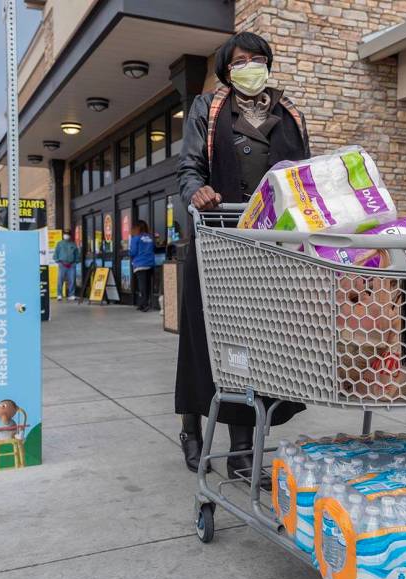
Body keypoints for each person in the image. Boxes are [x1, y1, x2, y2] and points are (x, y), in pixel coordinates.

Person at [175, 32, 311, 479]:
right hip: (220, 241)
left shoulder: (289, 114)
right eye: (239, 61)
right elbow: (190, 167)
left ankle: (240, 451)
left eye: (257, 59)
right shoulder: (208, 109)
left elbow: (306, 178)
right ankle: (192, 428)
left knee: (255, 347)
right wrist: (199, 191)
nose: (249, 66)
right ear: (225, 71)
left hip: (270, 251)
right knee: (205, 344)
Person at [130, 221, 155, 312]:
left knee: (142, 286)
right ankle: (143, 303)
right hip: (150, 264)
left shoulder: (136, 238)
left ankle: (144, 305)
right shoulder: (150, 237)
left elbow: (133, 252)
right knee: (147, 285)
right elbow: (153, 248)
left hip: (140, 264)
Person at [54, 230, 79, 300]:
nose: (66, 235)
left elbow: (77, 254)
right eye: (65, 234)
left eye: (67, 234)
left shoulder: (73, 244)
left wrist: (75, 262)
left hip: (71, 265)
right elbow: (56, 254)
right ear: (63, 235)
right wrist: (58, 261)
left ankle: (71, 294)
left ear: (70, 236)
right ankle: (59, 294)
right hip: (62, 264)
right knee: (60, 280)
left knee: (72, 279)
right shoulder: (59, 244)